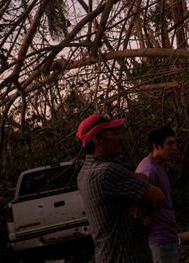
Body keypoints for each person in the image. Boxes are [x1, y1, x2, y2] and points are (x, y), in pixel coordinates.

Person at [76, 113, 165, 263]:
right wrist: (146, 210)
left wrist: (137, 199)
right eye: (114, 133)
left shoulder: (84, 173)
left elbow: (138, 178)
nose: (120, 138)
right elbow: (158, 196)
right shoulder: (107, 171)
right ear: (97, 139)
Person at [136, 126, 181, 263]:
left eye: (175, 143)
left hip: (167, 236)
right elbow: (138, 207)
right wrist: (146, 216)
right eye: (169, 143)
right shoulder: (148, 170)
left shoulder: (158, 166)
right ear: (156, 146)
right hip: (159, 240)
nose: (174, 148)